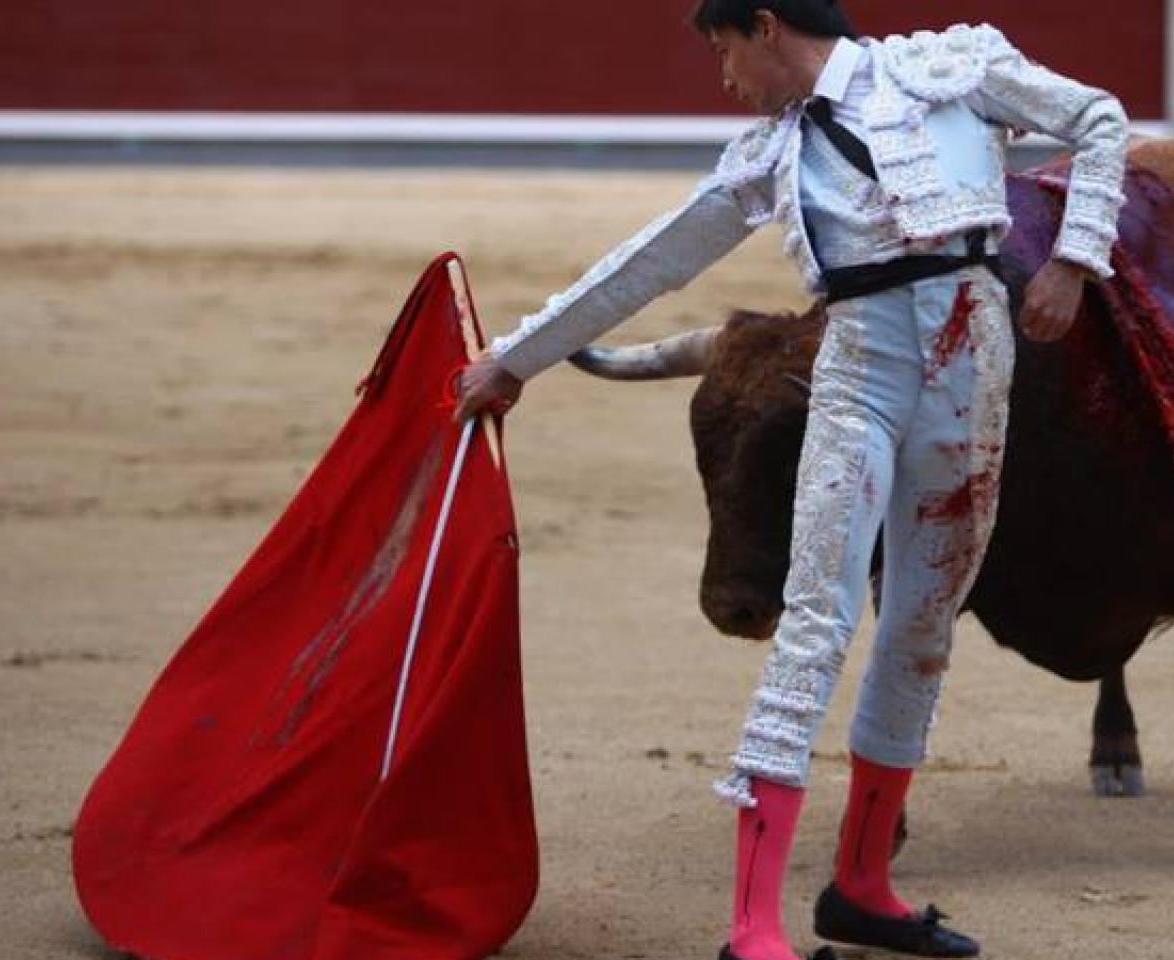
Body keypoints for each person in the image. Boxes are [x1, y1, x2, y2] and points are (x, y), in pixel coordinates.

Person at [456, 2, 1129, 957]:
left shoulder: (950, 69)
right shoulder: (771, 150)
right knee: (817, 617)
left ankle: (862, 887)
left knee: (923, 626)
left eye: (724, 50)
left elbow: (1099, 119)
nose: (725, 77)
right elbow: (653, 259)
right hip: (859, 366)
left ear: (765, 26)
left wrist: (1075, 260)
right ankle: (751, 926)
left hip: (974, 356)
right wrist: (516, 358)